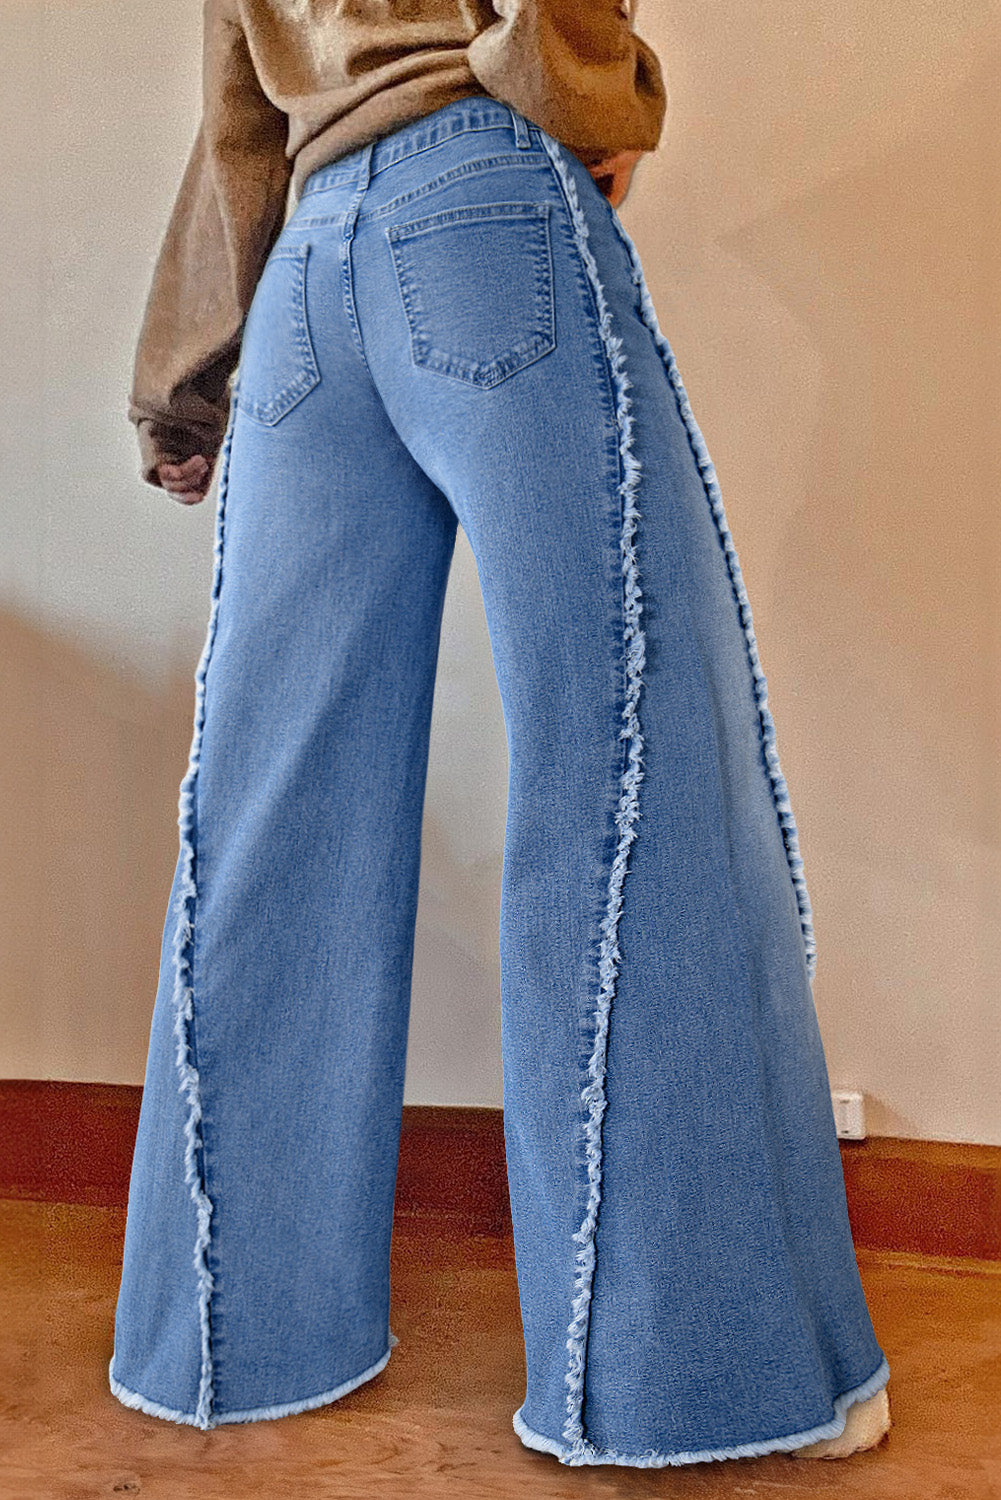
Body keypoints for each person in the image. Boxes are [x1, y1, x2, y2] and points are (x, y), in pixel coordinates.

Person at [109, 0, 893, 1467]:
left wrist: (182, 386)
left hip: (305, 275)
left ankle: (227, 1340)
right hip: (485, 207)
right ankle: (696, 1378)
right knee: (637, 774)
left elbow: (238, 114)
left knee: (274, 813)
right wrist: (589, 100)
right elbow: (554, 34)